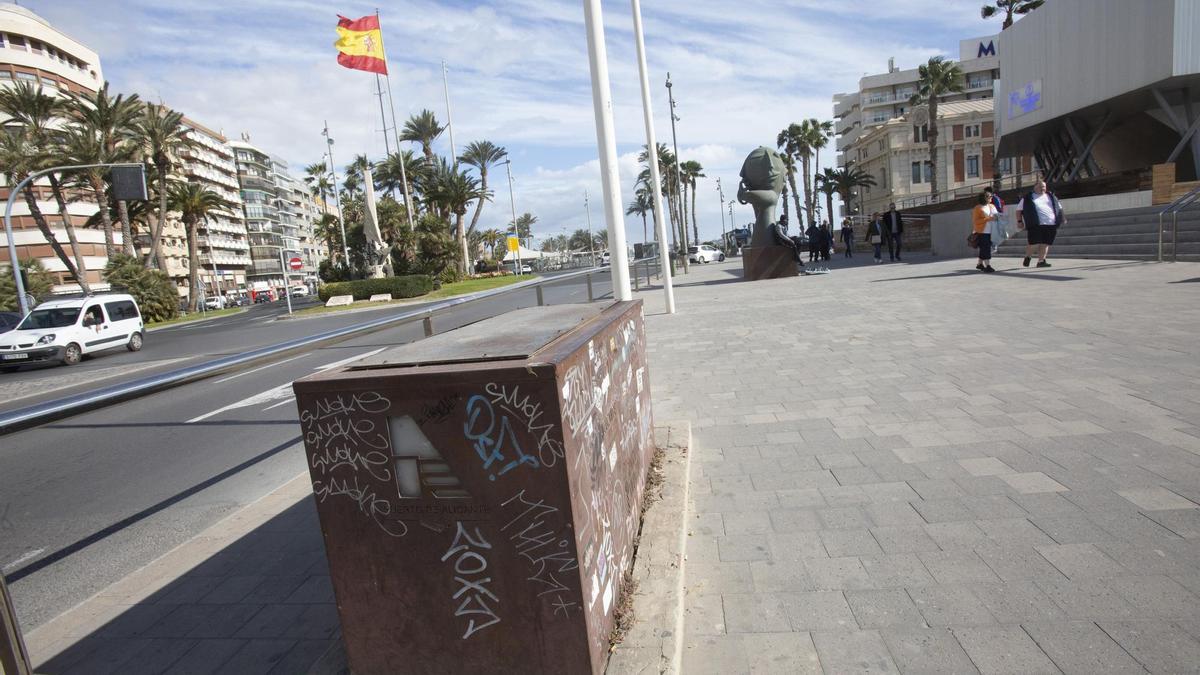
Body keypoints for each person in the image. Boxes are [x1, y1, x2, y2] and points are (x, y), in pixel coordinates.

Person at [1016, 179, 1065, 268]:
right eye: (1041, 186)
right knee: (1034, 243)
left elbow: (1060, 208)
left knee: (1046, 243)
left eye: (1044, 187)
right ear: (1035, 187)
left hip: (1051, 223)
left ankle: (1041, 261)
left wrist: (1063, 218)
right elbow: (1018, 210)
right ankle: (1028, 256)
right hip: (1035, 223)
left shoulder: (1051, 196)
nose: (1043, 188)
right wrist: (1020, 221)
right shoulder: (1028, 197)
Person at [972, 191, 1000, 273]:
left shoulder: (992, 206)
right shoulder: (978, 208)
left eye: (991, 196)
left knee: (984, 248)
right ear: (984, 198)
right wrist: (989, 219)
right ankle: (988, 266)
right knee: (986, 248)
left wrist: (997, 217)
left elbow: (996, 216)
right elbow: (976, 221)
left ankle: (979, 264)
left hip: (991, 231)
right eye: (989, 196)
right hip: (982, 232)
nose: (991, 197)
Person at [983, 186, 1006, 254]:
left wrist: (996, 215)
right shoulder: (990, 198)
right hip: (990, 218)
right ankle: (992, 246)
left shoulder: (994, 198)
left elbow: (998, 208)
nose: (984, 193)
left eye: (985, 192)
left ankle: (994, 246)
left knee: (993, 232)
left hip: (994, 217)